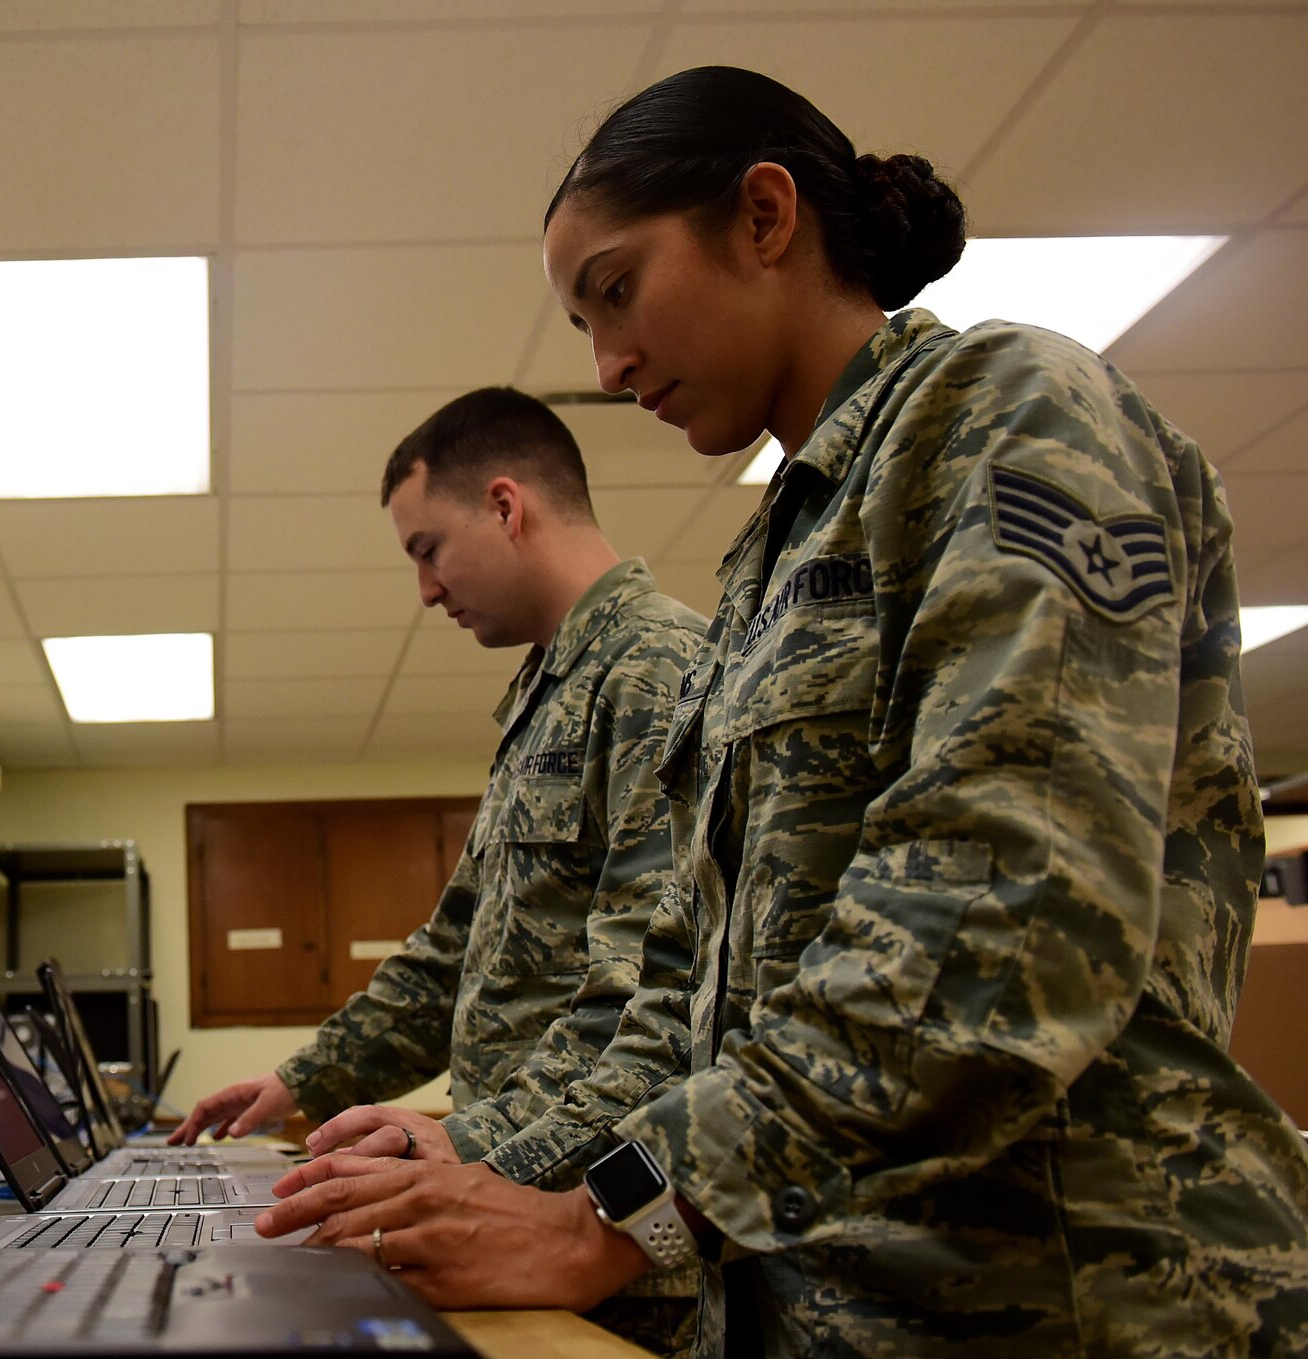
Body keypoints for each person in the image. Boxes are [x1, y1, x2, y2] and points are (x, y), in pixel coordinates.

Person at [254, 66, 1308, 1359]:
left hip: (1067, 1301)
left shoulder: (1008, 414)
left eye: (619, 290)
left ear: (765, 217)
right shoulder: (766, 571)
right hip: (828, 1305)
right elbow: (683, 988)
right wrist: (519, 1163)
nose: (609, 359)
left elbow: (1000, 915)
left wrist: (607, 1213)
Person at [169, 386, 708, 1345]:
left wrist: (469, 1139)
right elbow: (451, 953)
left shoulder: (655, 668)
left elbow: (647, 995)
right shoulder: (549, 696)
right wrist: (298, 1082)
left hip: (593, 1235)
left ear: (505, 505)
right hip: (501, 1206)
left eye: (427, 549)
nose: (424, 589)